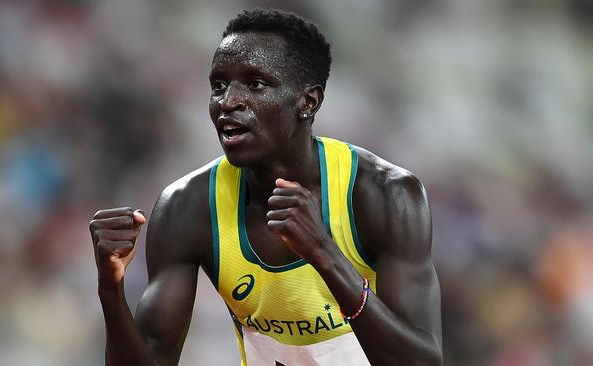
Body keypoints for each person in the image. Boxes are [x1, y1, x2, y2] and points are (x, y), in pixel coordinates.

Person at [89, 8, 442, 366]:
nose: (228, 102)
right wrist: (109, 289)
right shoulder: (188, 206)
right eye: (219, 86)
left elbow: (421, 363)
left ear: (308, 101)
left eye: (255, 84)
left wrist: (324, 253)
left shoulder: (386, 195)